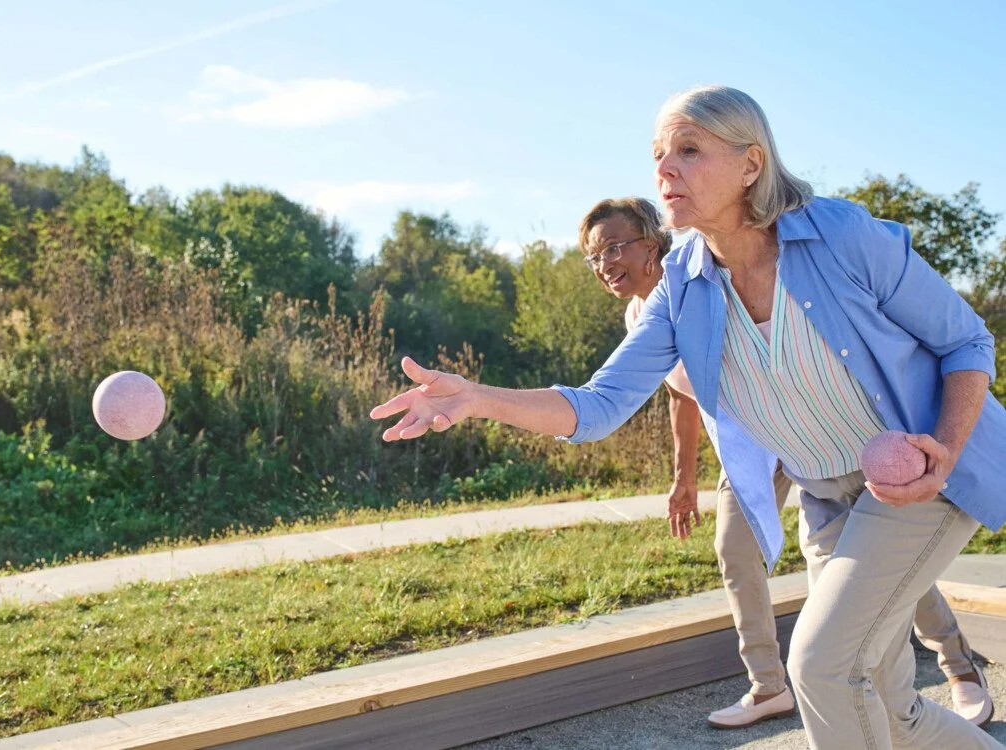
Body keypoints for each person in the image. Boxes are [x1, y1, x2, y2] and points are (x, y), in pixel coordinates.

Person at [371, 85, 1006, 749]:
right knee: (889, 704)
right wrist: (476, 396)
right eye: (657, 154)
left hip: (918, 480)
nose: (664, 169)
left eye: (689, 150)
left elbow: (965, 343)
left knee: (820, 668)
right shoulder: (681, 283)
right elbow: (597, 406)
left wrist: (943, 448)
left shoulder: (841, 236)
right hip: (827, 499)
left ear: (751, 165)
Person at [576, 196, 993, 730]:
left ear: (652, 243)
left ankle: (958, 664)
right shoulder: (640, 315)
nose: (605, 263)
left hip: (801, 432)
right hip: (747, 452)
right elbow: (678, 399)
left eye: (614, 247)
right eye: (594, 256)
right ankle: (769, 685)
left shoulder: (695, 279)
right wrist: (683, 480)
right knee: (736, 551)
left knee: (878, 561)